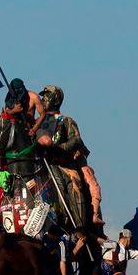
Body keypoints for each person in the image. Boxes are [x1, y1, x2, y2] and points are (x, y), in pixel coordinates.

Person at [34, 85, 103, 230]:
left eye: (46, 96)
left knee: (74, 186)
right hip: (41, 164)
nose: (43, 99)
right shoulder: (37, 122)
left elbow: (76, 140)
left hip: (64, 165)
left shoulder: (66, 121)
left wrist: (57, 148)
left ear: (55, 98)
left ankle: (80, 226)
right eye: (43, 96)